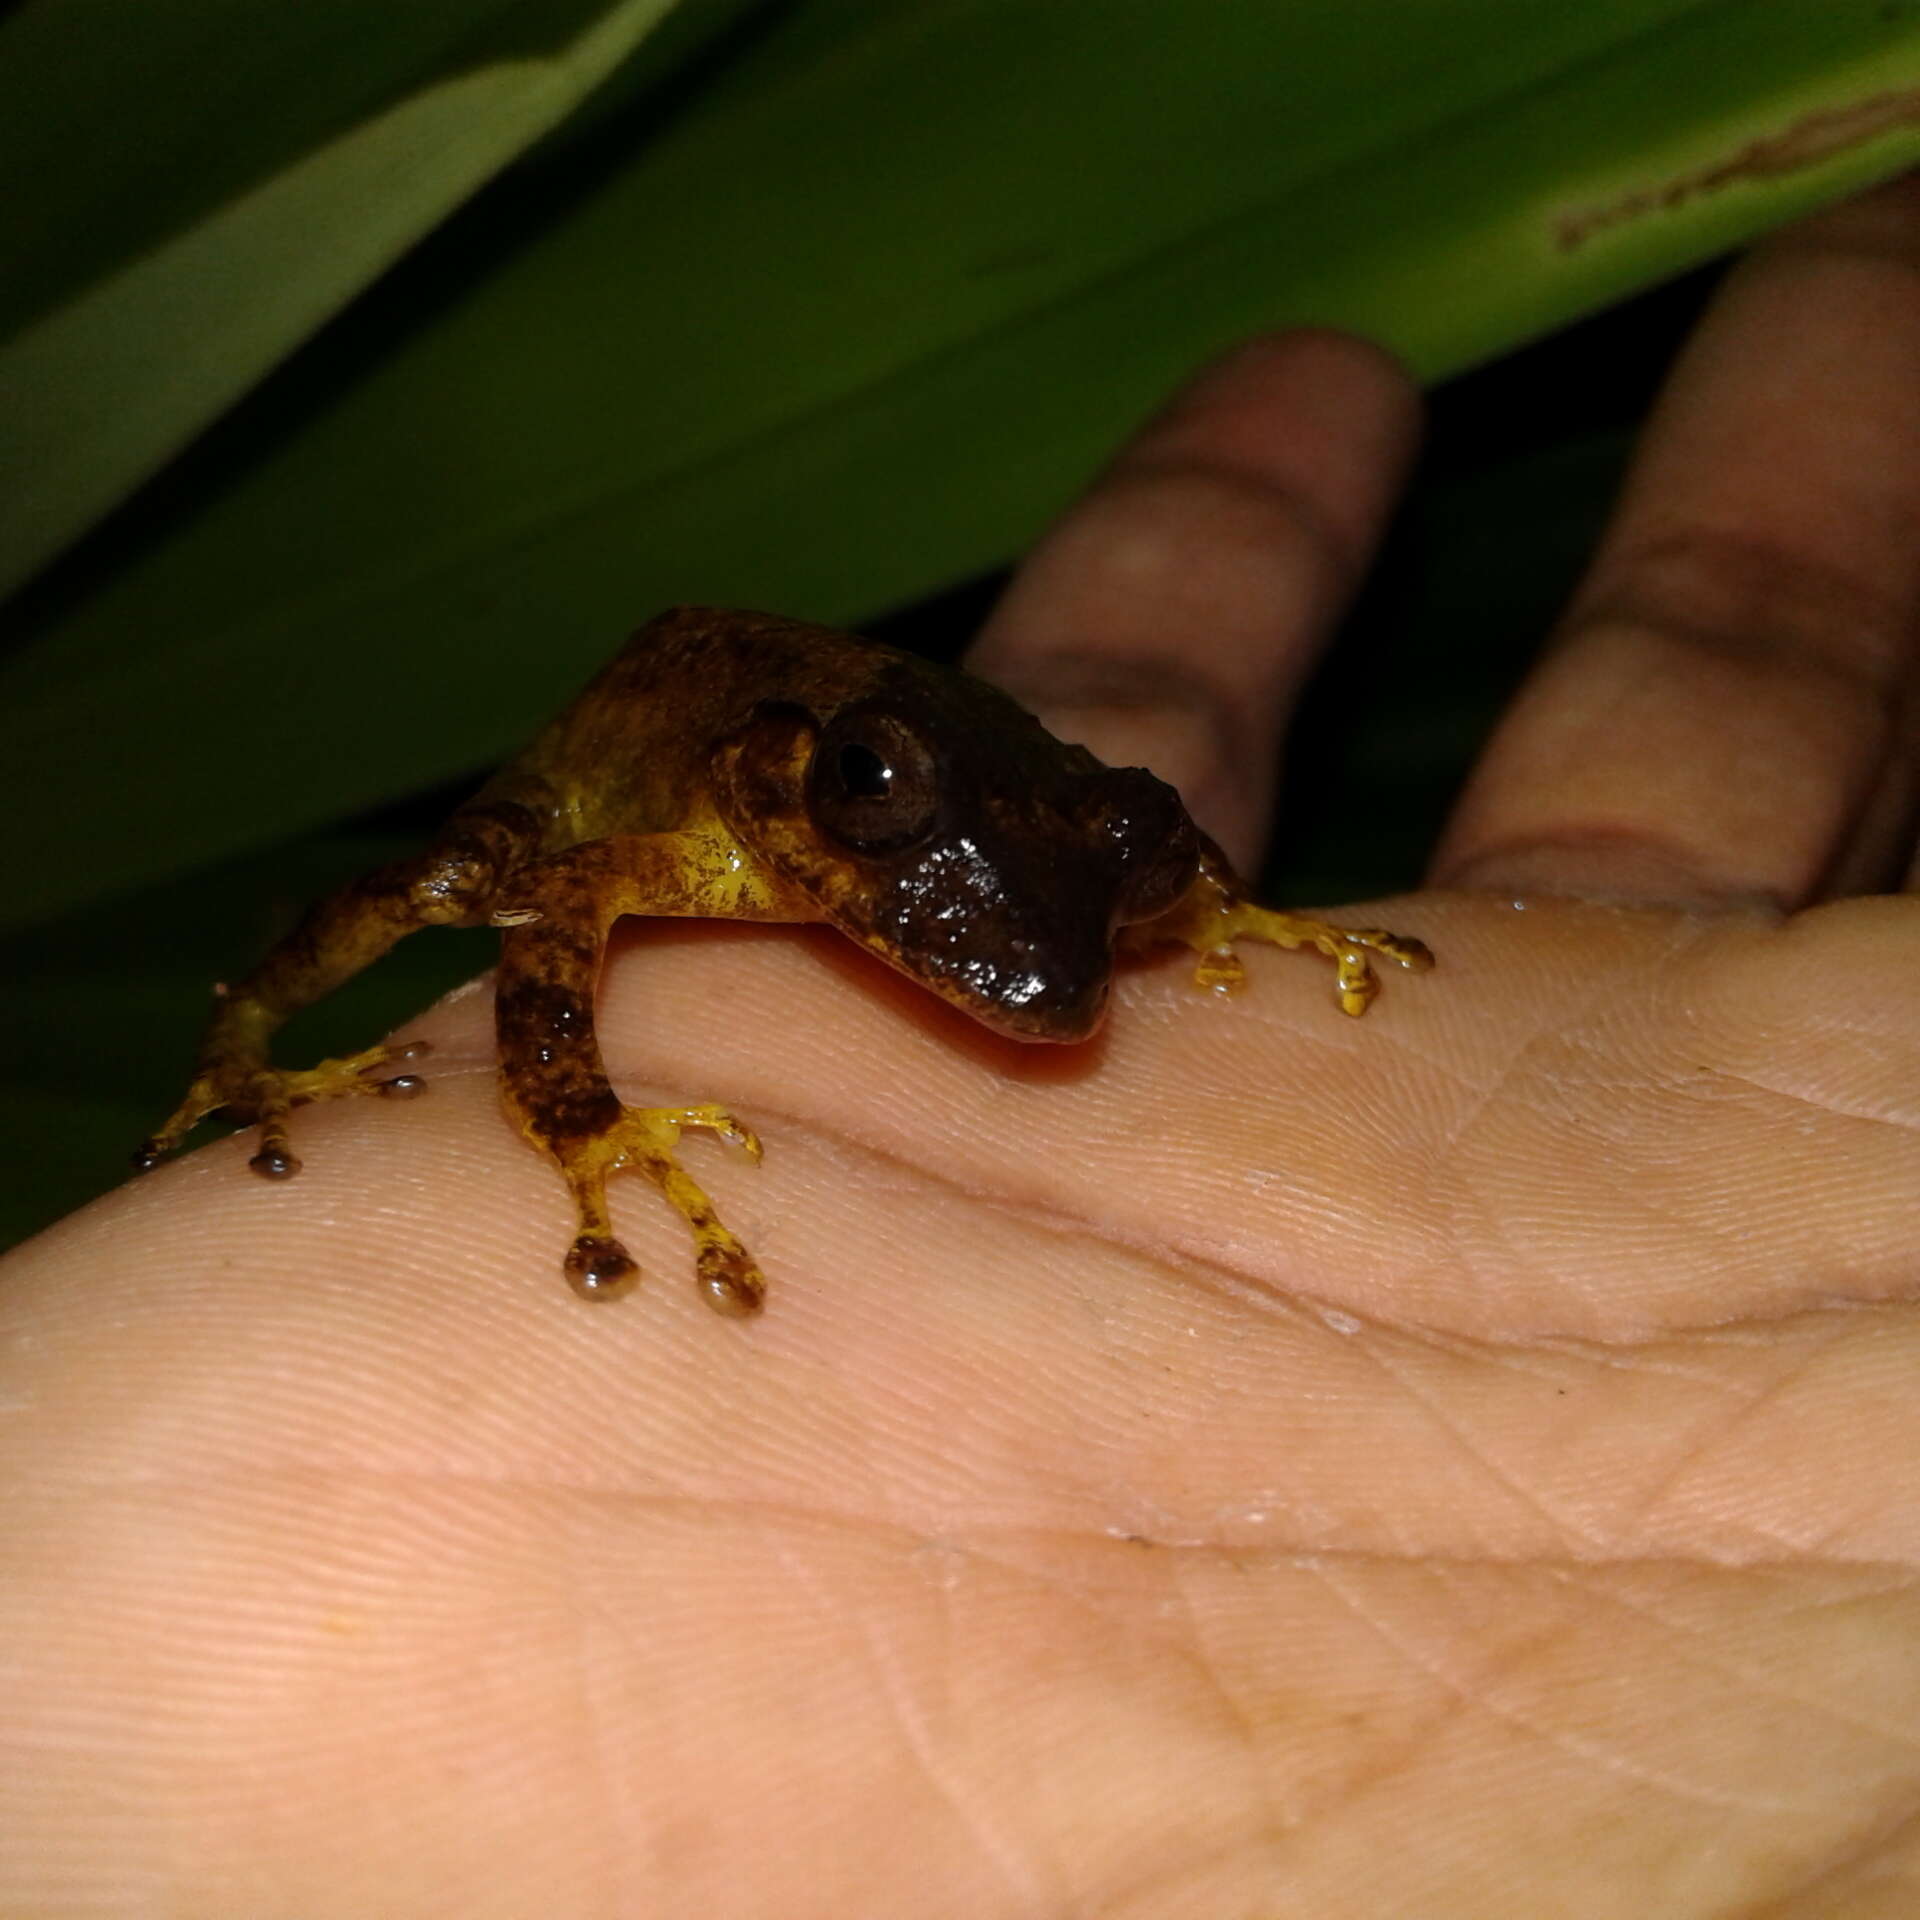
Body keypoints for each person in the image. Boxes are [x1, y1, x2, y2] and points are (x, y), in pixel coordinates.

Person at [5, 173, 1917, 1915]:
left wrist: (1203, 906)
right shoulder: (702, 824)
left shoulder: (1037, 835)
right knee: (475, 881)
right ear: (788, 794)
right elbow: (543, 957)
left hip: (959, 749)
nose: (988, 954)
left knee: (1046, 842)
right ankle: (241, 1026)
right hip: (652, 735)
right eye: (858, 820)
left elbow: (1127, 828)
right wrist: (584, 1127)